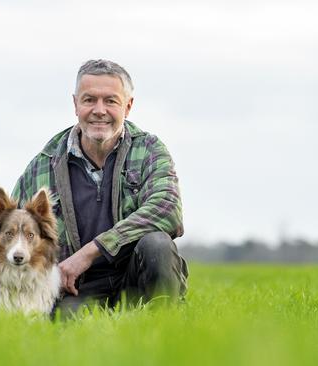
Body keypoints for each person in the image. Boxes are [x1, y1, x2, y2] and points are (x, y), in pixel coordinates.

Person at [11, 59, 188, 314]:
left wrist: (88, 254)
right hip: (76, 288)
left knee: (157, 245)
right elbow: (13, 233)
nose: (99, 110)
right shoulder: (43, 166)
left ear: (128, 106)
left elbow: (167, 210)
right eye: (89, 100)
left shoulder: (149, 150)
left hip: (135, 280)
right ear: (75, 105)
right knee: (65, 331)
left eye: (111, 101)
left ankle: (167, 331)